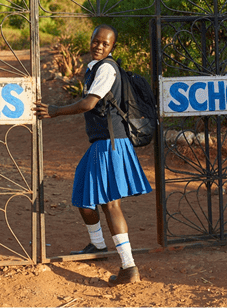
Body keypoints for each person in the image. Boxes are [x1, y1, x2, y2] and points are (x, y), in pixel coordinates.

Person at [33, 24, 152, 285]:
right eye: (96, 41)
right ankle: (98, 245)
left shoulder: (107, 68)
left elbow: (88, 103)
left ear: (112, 48)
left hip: (111, 143)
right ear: (91, 40)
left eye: (105, 44)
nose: (99, 46)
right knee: (83, 195)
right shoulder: (94, 69)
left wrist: (54, 110)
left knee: (111, 204)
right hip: (101, 143)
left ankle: (129, 267)